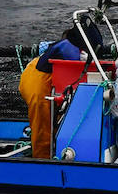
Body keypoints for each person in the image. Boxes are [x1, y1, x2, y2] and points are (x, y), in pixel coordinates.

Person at [19, 24, 101, 158]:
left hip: (47, 74)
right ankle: (42, 161)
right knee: (43, 126)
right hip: (37, 81)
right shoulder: (68, 48)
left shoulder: (70, 45)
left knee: (56, 121)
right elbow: (77, 68)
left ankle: (56, 150)